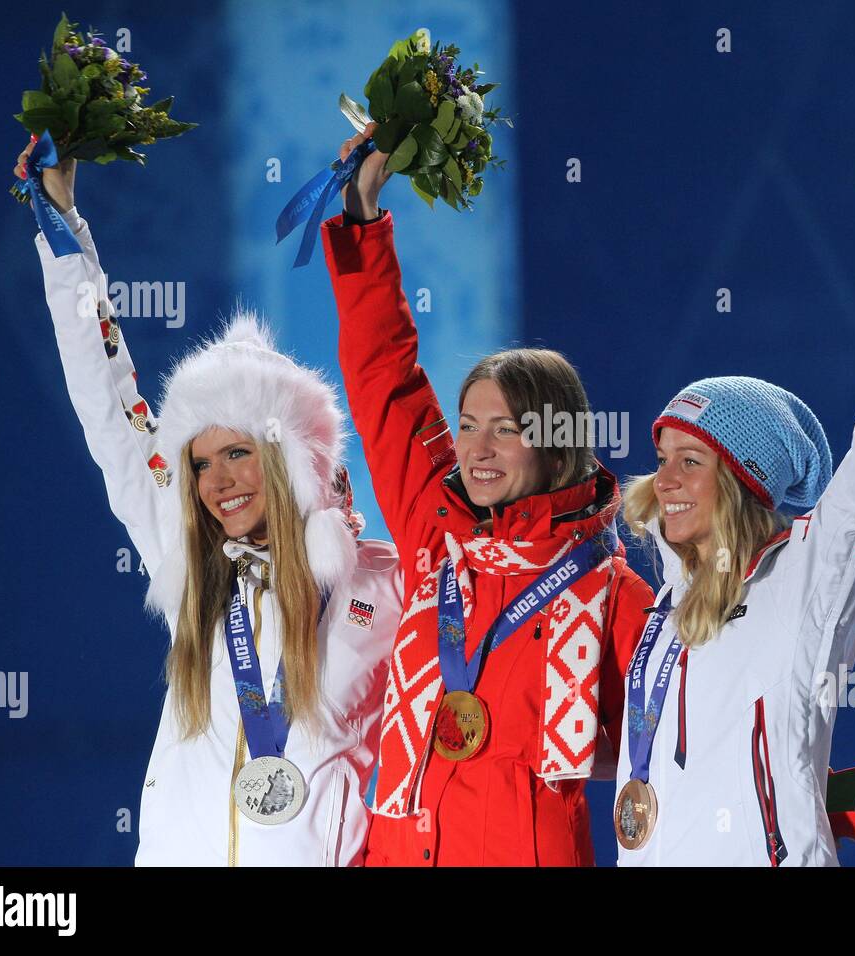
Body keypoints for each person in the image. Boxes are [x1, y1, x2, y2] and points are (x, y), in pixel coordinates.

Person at [16, 135, 401, 866]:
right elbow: (110, 409)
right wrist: (65, 233)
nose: (220, 482)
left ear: (289, 459)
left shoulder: (379, 585)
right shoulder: (193, 569)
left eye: (239, 454)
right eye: (201, 463)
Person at [317, 124, 657, 865]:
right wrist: (363, 218)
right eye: (469, 425)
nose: (475, 448)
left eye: (505, 430)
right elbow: (386, 377)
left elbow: (702, 715)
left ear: (556, 439)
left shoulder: (612, 592)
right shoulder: (434, 527)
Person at [614, 283, 855, 865]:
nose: (665, 480)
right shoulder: (669, 604)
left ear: (740, 482)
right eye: (661, 459)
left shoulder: (805, 580)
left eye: (690, 461)